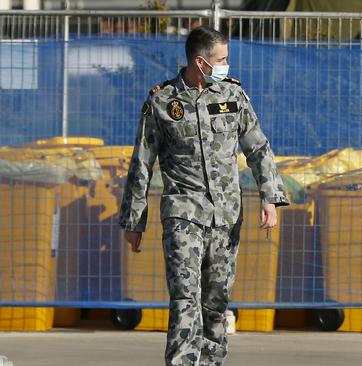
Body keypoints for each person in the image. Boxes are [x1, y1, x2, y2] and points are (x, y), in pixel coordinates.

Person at [119, 26, 289, 366]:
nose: (226, 65)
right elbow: (142, 161)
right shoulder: (162, 101)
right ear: (201, 61)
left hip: (226, 216)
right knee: (185, 298)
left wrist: (270, 197)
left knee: (216, 301)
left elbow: (257, 147)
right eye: (221, 59)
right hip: (184, 213)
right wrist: (134, 220)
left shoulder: (233, 96)